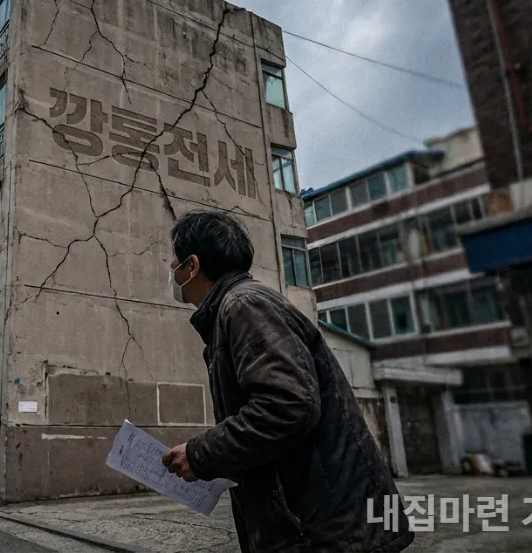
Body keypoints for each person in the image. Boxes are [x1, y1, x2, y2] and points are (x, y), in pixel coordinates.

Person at [161, 210, 413, 552]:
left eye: (175, 265)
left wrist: (200, 454)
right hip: (316, 525)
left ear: (192, 266)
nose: (173, 274)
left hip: (325, 530)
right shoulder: (235, 309)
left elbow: (288, 405)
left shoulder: (245, 306)